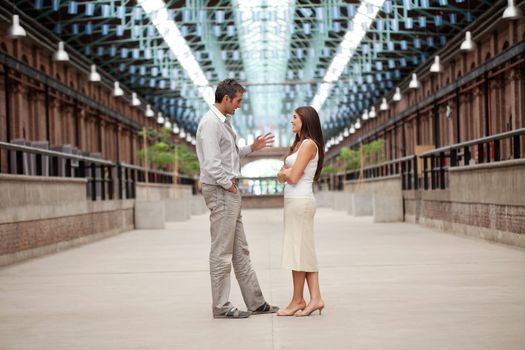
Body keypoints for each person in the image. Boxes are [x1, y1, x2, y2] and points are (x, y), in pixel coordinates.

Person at [196, 79, 279, 319]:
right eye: (238, 101)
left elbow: (227, 155)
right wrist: (229, 186)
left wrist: (251, 148)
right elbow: (212, 164)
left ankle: (256, 303)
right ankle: (221, 306)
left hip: (228, 192)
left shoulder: (223, 123)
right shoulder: (211, 124)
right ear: (226, 99)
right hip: (222, 192)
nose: (240, 105)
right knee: (222, 252)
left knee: (240, 251)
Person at [276, 106, 325, 317]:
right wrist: (287, 172)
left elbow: (293, 177)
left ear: (305, 120)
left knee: (299, 252)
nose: (291, 121)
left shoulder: (308, 144)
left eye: (295, 117)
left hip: (301, 201)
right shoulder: (297, 145)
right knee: (301, 251)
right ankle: (314, 299)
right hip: (294, 202)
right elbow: (286, 173)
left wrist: (286, 172)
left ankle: (298, 300)